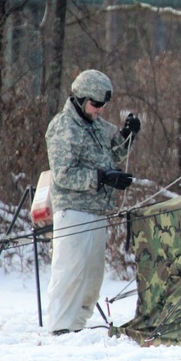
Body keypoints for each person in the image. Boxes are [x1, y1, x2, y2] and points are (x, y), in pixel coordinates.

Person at [45, 69, 140, 335]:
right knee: (70, 272)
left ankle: (76, 326)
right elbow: (63, 175)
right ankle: (60, 327)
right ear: (80, 98)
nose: (99, 109)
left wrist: (129, 135)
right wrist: (101, 178)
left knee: (92, 277)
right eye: (96, 104)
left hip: (97, 211)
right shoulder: (63, 127)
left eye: (103, 105)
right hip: (73, 211)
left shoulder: (97, 126)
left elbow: (116, 152)